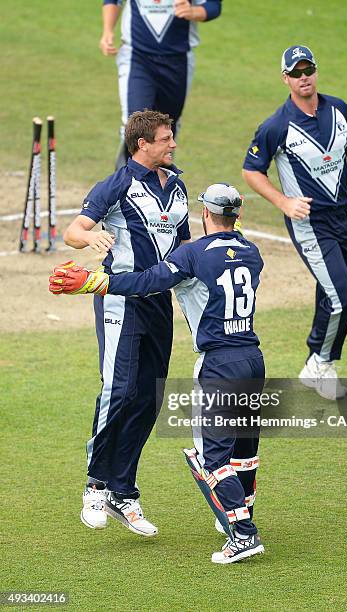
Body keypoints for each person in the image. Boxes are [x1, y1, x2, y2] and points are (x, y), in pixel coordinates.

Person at [50, 183, 265, 565]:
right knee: (244, 451)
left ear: (204, 214)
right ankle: (241, 511)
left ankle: (243, 534)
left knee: (211, 458)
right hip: (253, 359)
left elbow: (146, 282)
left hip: (218, 364)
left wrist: (93, 282)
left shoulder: (193, 254)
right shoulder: (252, 252)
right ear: (238, 214)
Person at [62, 110, 191, 536]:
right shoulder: (118, 184)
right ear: (143, 145)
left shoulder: (177, 185)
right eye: (166, 138)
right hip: (119, 300)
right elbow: (73, 231)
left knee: (148, 399)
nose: (172, 144)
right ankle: (95, 484)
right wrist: (92, 238)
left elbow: (185, 244)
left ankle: (123, 491)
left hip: (159, 303)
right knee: (118, 390)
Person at [242, 45, 347, 400]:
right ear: (286, 78)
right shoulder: (276, 126)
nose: (304, 78)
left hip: (344, 216)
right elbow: (251, 170)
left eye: (308, 70)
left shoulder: (339, 108)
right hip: (310, 223)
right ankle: (322, 363)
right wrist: (283, 201)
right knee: (343, 296)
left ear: (316, 71)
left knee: (331, 290)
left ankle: (316, 361)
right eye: (296, 73)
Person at [100, 0, 222, 167]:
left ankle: (162, 184)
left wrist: (194, 12)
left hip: (178, 60)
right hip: (137, 57)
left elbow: (213, 5)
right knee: (135, 122)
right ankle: (126, 186)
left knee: (167, 126)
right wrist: (107, 30)